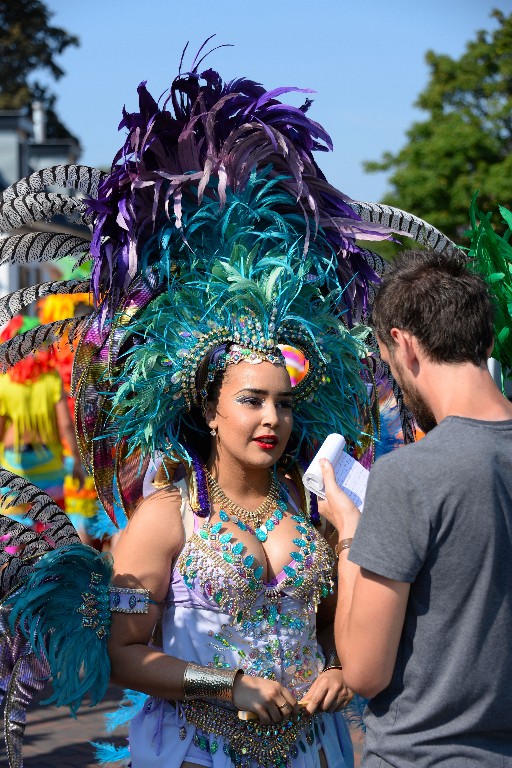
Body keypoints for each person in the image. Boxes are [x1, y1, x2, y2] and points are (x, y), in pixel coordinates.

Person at [0, 57, 463, 768]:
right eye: (250, 400)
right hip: (197, 749)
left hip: (315, 747)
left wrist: (339, 674)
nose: (270, 417)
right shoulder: (167, 515)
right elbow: (126, 657)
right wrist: (228, 684)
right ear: (209, 411)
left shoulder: (311, 507)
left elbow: (339, 639)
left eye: (282, 401)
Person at [319, 249, 512, 767]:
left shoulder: (408, 475)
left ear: (403, 345)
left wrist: (349, 536)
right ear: (485, 339)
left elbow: (363, 670)